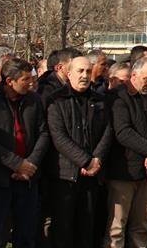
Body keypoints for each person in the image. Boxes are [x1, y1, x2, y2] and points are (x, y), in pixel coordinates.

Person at [0, 58, 49, 248]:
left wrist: (30, 164)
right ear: (10, 81)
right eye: (25, 79)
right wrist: (17, 164)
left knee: (26, 232)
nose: (30, 83)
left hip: (28, 178)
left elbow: (43, 133)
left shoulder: (34, 100)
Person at [46, 53, 113, 248]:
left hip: (92, 176)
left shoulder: (100, 100)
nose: (85, 75)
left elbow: (107, 131)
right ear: (68, 73)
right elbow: (58, 136)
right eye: (80, 71)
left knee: (87, 228)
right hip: (65, 175)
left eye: (88, 71)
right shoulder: (56, 100)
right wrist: (85, 161)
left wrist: (97, 159)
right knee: (64, 228)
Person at [105, 56, 147, 248]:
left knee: (142, 224)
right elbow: (123, 132)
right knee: (117, 225)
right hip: (124, 170)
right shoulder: (118, 96)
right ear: (134, 75)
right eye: (146, 79)